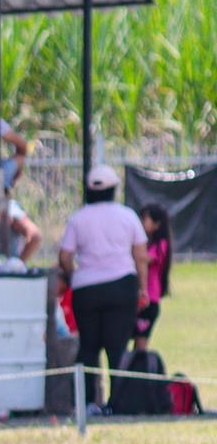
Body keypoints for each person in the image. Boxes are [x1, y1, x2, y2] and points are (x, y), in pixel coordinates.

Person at [57, 164, 149, 413]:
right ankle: (118, 402)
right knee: (117, 347)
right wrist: (143, 287)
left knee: (88, 347)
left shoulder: (78, 218)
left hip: (86, 288)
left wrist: (73, 276)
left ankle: (87, 403)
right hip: (121, 286)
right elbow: (140, 255)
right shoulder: (127, 215)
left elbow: (65, 256)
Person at [134, 203, 172, 352]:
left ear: (157, 224)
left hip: (149, 300)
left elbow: (143, 258)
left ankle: (140, 371)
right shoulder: (143, 244)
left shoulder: (161, 245)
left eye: (145, 219)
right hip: (136, 298)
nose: (141, 223)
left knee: (141, 345)